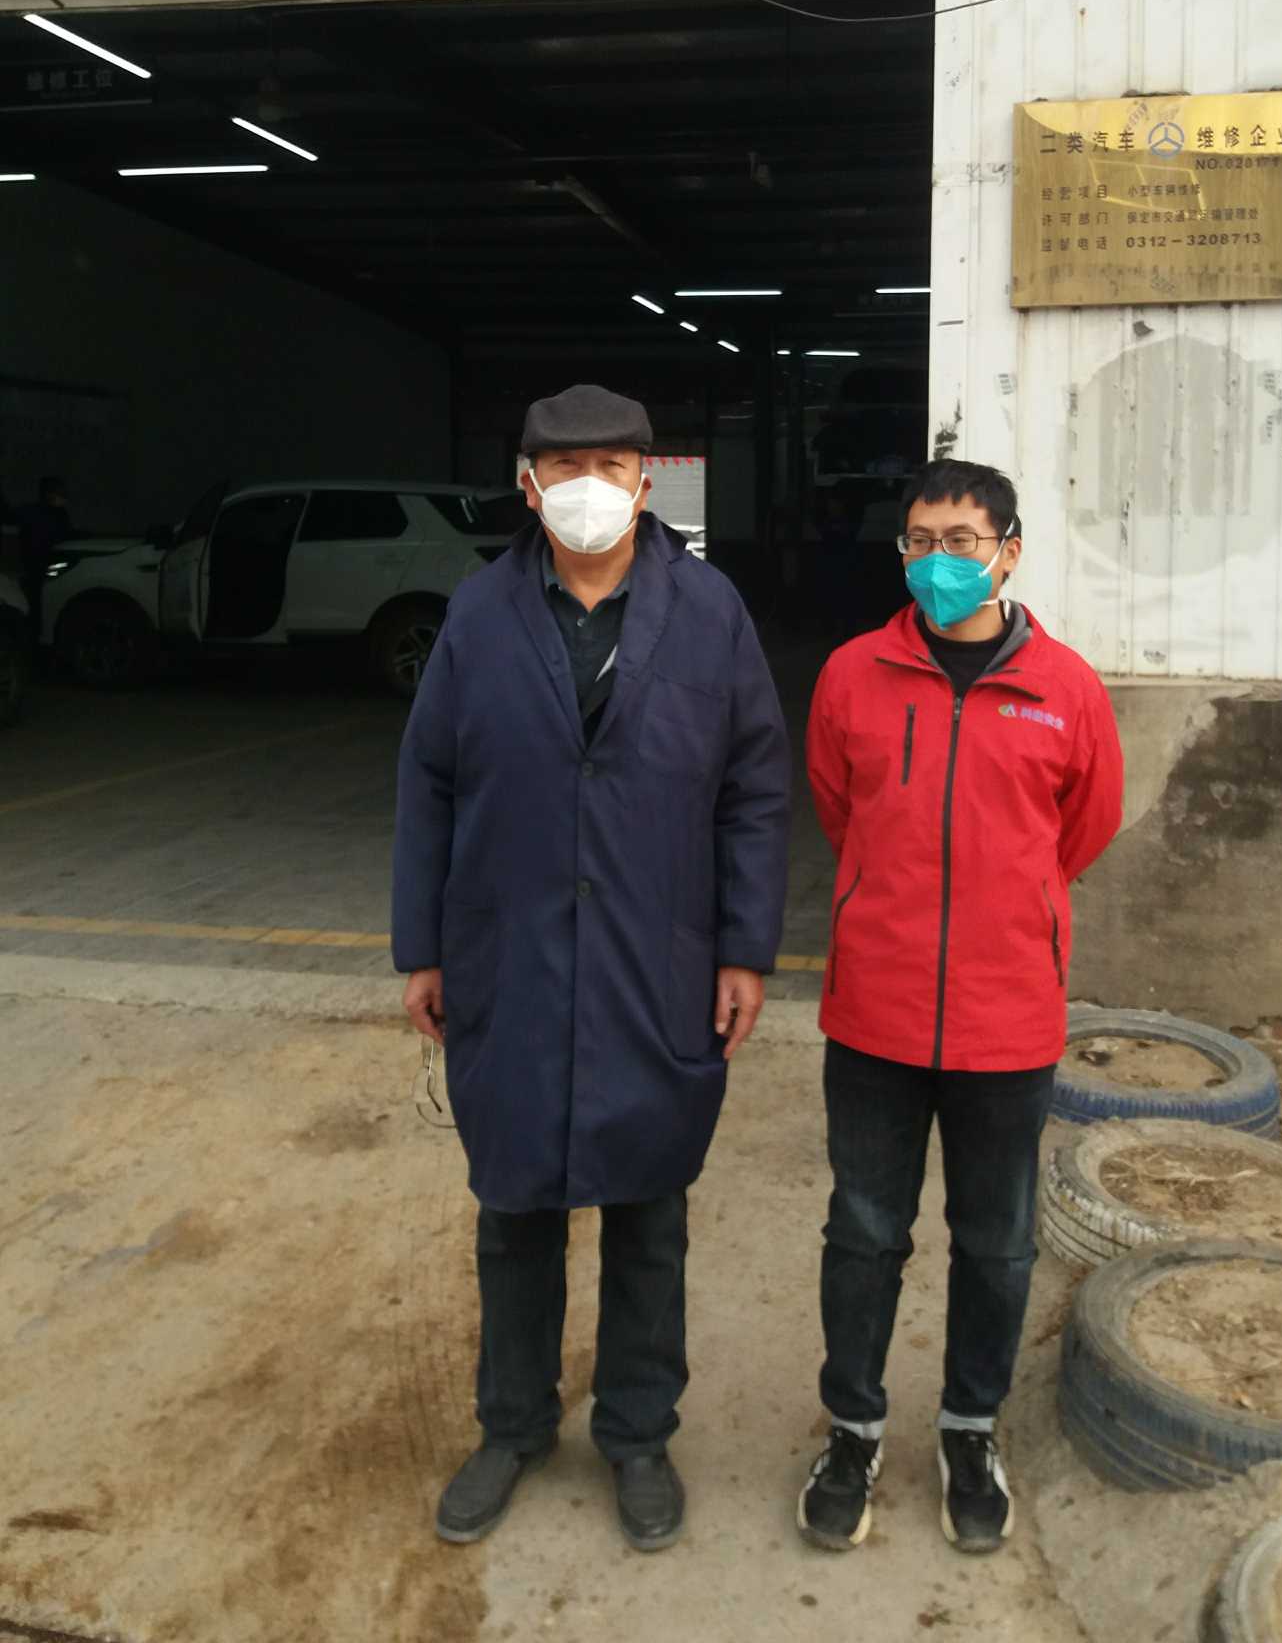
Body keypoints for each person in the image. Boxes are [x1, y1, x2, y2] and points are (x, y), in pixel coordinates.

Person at [393, 384, 789, 1554]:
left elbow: (754, 791)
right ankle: (512, 1427)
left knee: (648, 1207)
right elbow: (428, 781)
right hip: (509, 954)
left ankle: (637, 1434)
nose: (587, 488)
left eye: (610, 466)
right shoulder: (479, 612)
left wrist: (744, 949)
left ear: (646, 481)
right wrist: (422, 946)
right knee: (514, 1205)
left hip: (653, 956)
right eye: (563, 467)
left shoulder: (709, 611)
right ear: (527, 486)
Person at [798, 458, 1123, 1556]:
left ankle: (970, 1429)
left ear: (1009, 553)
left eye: (963, 542)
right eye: (921, 541)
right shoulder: (852, 675)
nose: (940, 561)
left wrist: (1009, 912)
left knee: (996, 1243)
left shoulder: (1067, 689)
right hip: (875, 1015)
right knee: (863, 1232)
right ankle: (852, 1430)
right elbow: (839, 810)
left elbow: (1084, 829)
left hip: (1006, 1019)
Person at [15, 477, 74, 650]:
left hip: (52, 570)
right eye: (58, 492)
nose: (62, 496)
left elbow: (67, 536)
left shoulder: (59, 515)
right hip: (36, 570)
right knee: (35, 608)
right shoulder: (33, 513)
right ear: (48, 494)